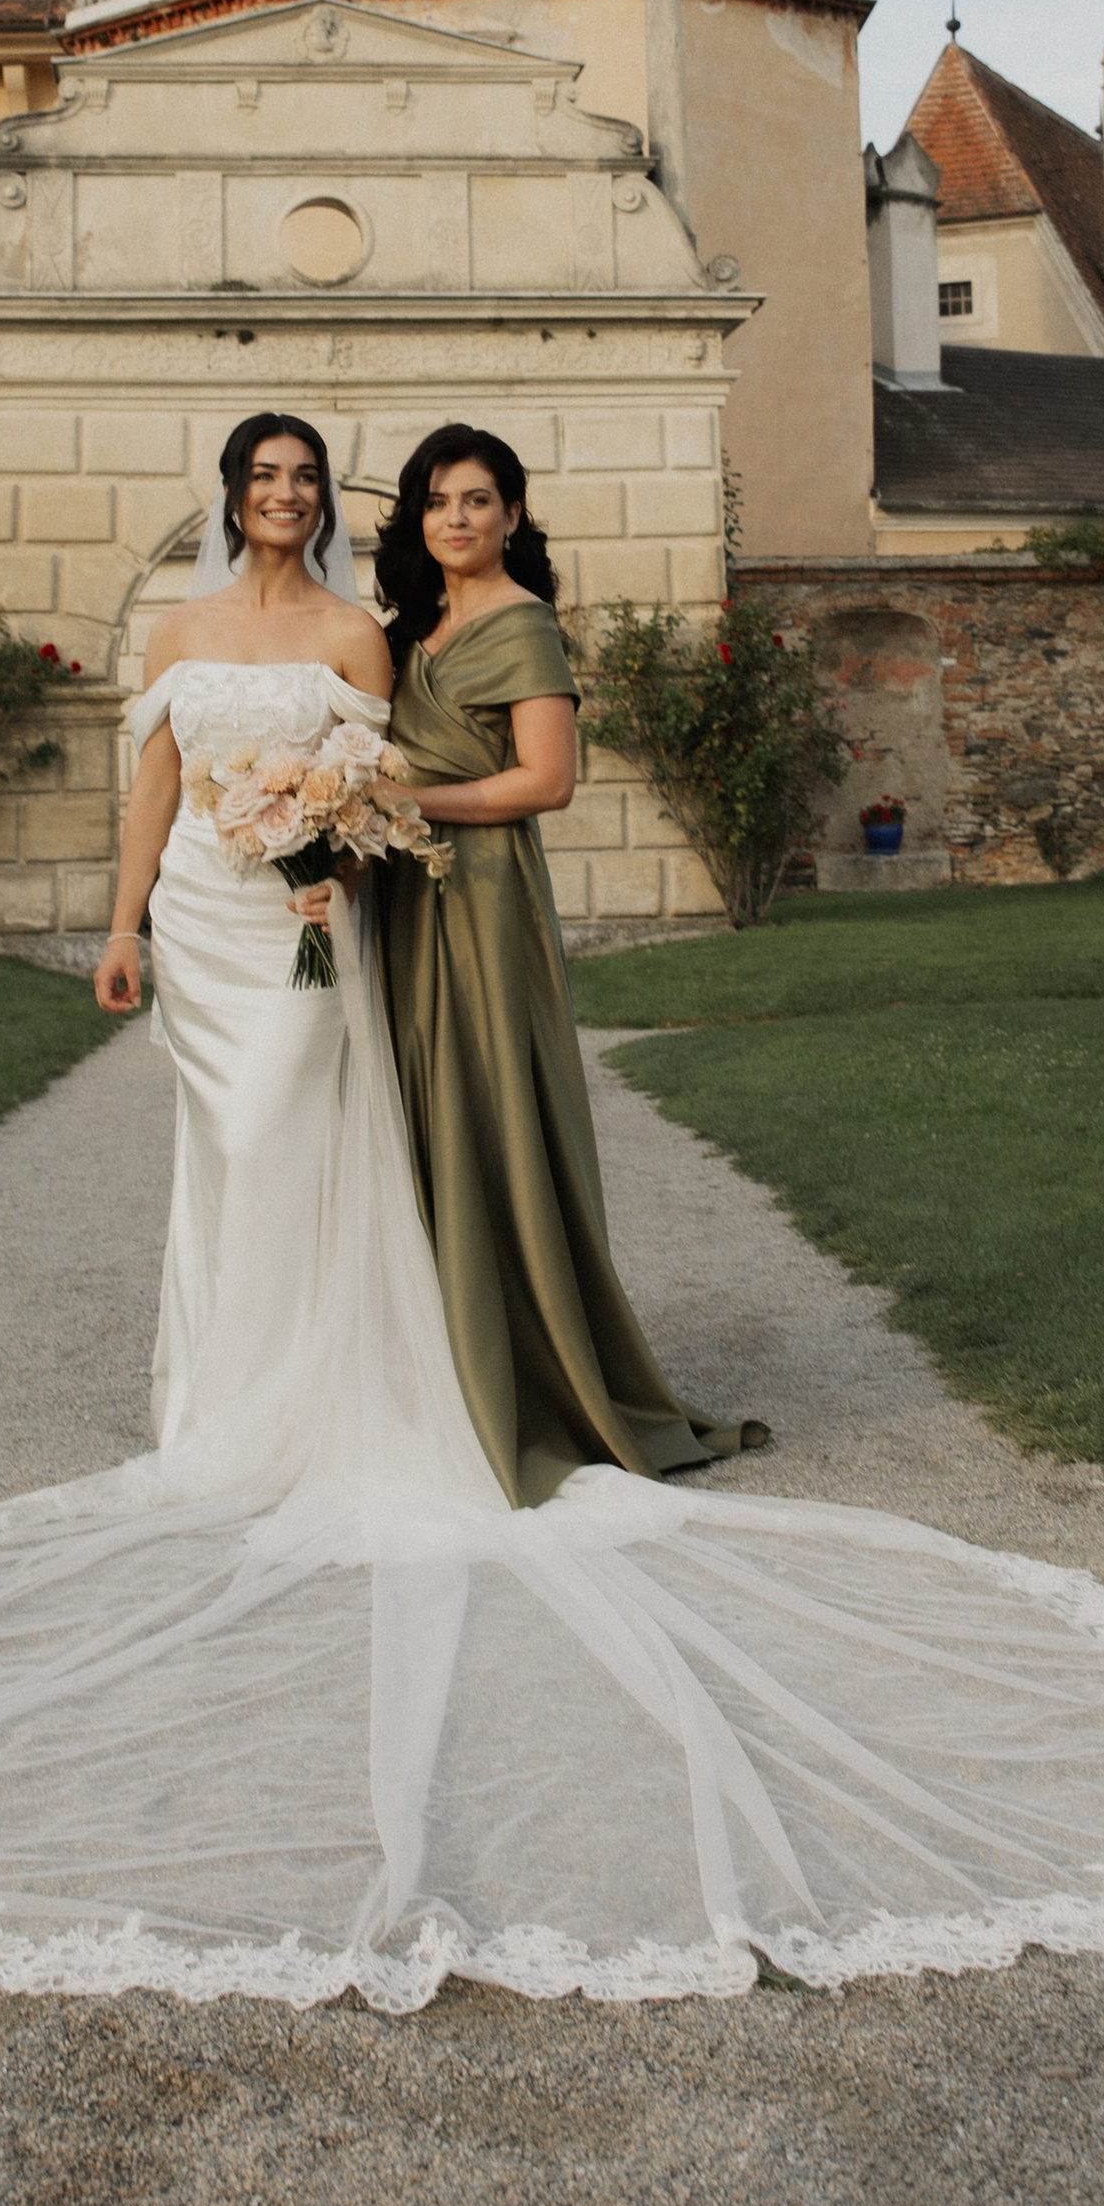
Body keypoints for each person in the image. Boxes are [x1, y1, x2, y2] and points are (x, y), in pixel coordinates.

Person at [0, 408, 1104, 2013]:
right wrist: (124, 921)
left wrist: (336, 830)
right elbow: (152, 774)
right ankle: (225, 1408)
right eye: (270, 477)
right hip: (208, 932)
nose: (293, 497)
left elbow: (408, 782)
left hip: (315, 924)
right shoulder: (181, 625)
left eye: (315, 476)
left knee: (321, 1136)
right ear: (234, 495)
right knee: (221, 1161)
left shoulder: (372, 636)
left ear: (346, 503)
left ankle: (354, 1398)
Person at [371, 423, 759, 1504]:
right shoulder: (413, 630)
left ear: (511, 516)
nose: (458, 518)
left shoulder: (523, 625)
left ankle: (531, 1371)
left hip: (484, 898)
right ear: (417, 516)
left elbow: (547, 782)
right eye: (440, 501)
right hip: (405, 897)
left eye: (479, 500)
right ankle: (444, 1357)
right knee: (420, 1109)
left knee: (492, 1107)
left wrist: (404, 804)